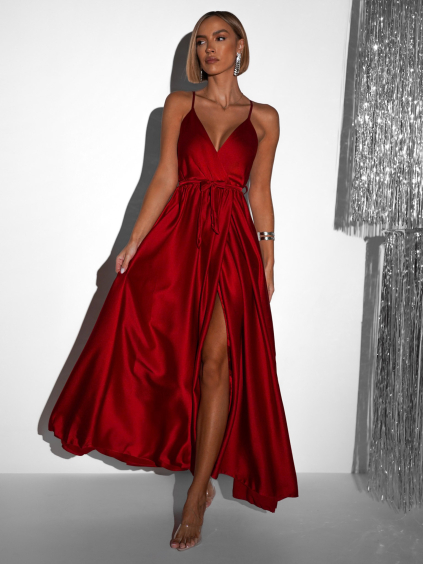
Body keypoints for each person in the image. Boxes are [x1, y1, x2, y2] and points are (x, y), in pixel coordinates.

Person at [48, 10, 298, 552]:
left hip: (233, 244)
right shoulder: (178, 105)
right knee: (161, 350)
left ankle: (195, 495)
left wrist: (268, 258)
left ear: (240, 45)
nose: (210, 48)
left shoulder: (265, 118)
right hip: (180, 237)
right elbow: (164, 176)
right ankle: (195, 476)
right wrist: (132, 242)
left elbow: (259, 191)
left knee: (216, 363)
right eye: (202, 41)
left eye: (220, 38)